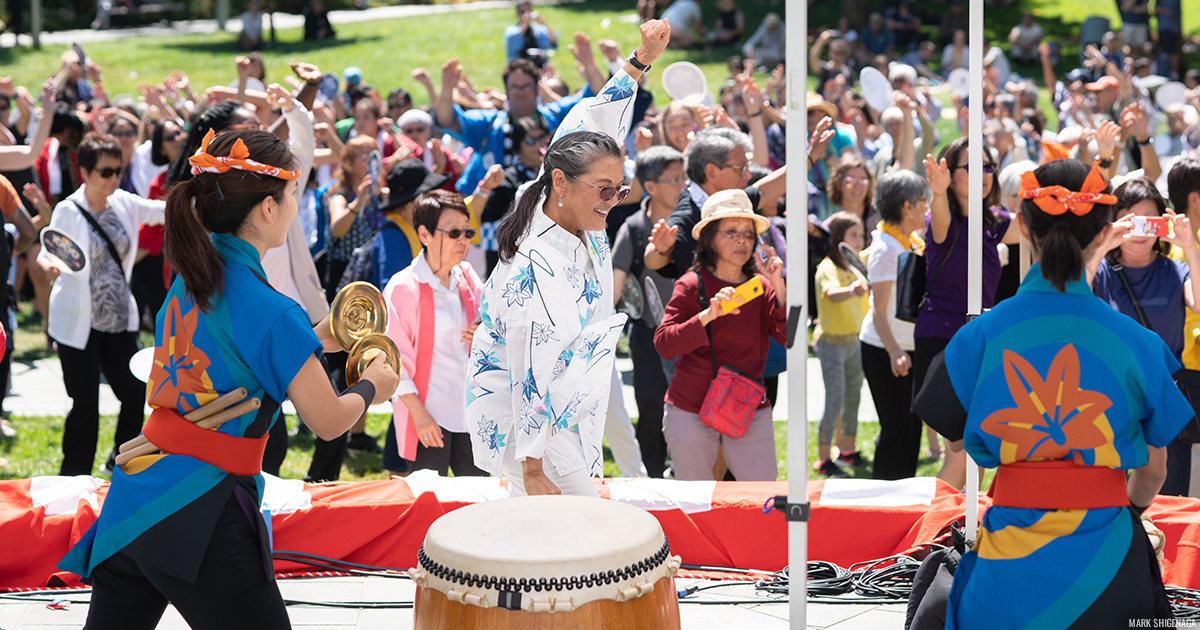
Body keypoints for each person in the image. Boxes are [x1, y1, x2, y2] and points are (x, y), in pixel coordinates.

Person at [58, 128, 398, 629]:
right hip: (200, 512)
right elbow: (328, 421)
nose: (292, 207)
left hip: (136, 497)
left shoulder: (191, 279)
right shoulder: (270, 311)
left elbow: (238, 346)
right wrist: (373, 386)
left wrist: (317, 338)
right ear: (266, 208)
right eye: (291, 196)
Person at [914, 158, 1183, 628]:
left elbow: (955, 443)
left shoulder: (981, 335)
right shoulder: (1138, 343)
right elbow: (1154, 471)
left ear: (1022, 224)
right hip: (1110, 571)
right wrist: (1128, 507)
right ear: (1105, 235)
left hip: (1006, 569)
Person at [466, 19, 669, 497]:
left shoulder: (572, 210)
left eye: (619, 189)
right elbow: (529, 366)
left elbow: (591, 126)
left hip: (565, 407)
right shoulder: (537, 267)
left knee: (550, 546)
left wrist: (639, 62)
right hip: (527, 427)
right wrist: (533, 469)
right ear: (560, 182)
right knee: (571, 536)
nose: (613, 200)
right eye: (603, 189)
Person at [37, 133, 166, 476]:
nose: (114, 178)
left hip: (119, 320)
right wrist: (49, 266)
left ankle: (122, 465)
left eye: (118, 171)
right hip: (78, 324)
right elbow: (49, 249)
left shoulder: (124, 202)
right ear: (85, 172)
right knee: (86, 405)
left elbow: (163, 212)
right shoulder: (68, 209)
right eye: (106, 171)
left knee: (135, 392)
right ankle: (74, 477)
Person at [654, 189, 786, 481]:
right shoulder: (691, 284)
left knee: (761, 501)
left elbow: (790, 337)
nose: (742, 240)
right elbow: (664, 344)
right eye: (731, 232)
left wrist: (778, 284)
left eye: (748, 234)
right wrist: (708, 316)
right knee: (695, 503)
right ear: (709, 238)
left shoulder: (762, 287)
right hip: (691, 408)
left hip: (747, 405)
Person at [916, 138, 1019, 489]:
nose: (984, 174)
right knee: (961, 454)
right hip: (945, 339)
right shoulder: (942, 217)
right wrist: (939, 192)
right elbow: (941, 220)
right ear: (949, 173)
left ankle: (961, 527)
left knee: (978, 450)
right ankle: (932, 532)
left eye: (989, 166)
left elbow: (1041, 228)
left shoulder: (993, 222)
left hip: (976, 341)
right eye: (972, 167)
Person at [1087, 178, 1200, 497]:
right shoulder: (1102, 273)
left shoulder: (1176, 270)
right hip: (1107, 397)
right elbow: (1072, 294)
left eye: (1148, 221)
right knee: (1106, 491)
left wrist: (1189, 245)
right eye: (1130, 220)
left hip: (1163, 398)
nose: (1139, 232)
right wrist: (1103, 245)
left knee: (1166, 491)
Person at [382, 190, 486, 478]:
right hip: (428, 418)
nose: (463, 240)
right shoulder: (403, 286)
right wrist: (419, 413)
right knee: (431, 510)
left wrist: (485, 334)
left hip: (471, 414)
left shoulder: (468, 276)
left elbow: (492, 328)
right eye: (454, 232)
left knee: (479, 506)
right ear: (424, 235)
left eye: (468, 231)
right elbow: (392, 359)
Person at [435, 42, 606, 196]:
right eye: (514, 87)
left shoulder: (556, 116)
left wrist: (589, 65)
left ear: (537, 88)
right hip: (489, 209)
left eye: (526, 86)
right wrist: (447, 89)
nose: (520, 92)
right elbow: (447, 121)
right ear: (506, 90)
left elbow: (597, 98)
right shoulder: (489, 124)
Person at [612, 145, 686, 478]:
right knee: (652, 406)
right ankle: (654, 480)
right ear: (651, 186)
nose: (682, 185)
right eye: (673, 179)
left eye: (684, 177)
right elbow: (615, 284)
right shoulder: (633, 228)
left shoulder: (693, 222)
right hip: (648, 336)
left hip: (693, 333)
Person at [860, 170, 929, 480]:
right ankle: (884, 502)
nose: (927, 207)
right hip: (885, 349)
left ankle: (906, 501)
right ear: (907, 207)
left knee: (912, 428)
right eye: (923, 201)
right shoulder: (886, 250)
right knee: (896, 429)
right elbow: (878, 311)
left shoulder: (908, 240)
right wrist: (894, 351)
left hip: (908, 347)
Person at [812, 211, 868, 478]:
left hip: (853, 341)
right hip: (830, 343)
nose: (859, 240)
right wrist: (853, 291)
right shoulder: (828, 268)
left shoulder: (855, 265)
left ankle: (847, 449)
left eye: (861, 234)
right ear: (839, 239)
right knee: (834, 398)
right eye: (853, 235)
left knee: (853, 397)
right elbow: (830, 294)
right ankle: (824, 458)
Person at [481, 115, 548, 276]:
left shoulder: (554, 174)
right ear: (518, 145)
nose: (538, 144)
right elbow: (488, 220)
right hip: (510, 261)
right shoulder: (506, 180)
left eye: (541, 138)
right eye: (530, 141)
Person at [319, 135, 379, 301]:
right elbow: (337, 229)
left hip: (370, 272)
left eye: (375, 155)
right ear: (348, 163)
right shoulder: (340, 198)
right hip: (344, 276)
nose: (371, 162)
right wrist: (358, 202)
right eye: (365, 157)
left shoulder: (379, 197)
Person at [826, 155, 881, 243]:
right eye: (850, 180)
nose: (857, 186)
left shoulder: (881, 219)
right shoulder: (830, 227)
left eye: (863, 180)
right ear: (839, 184)